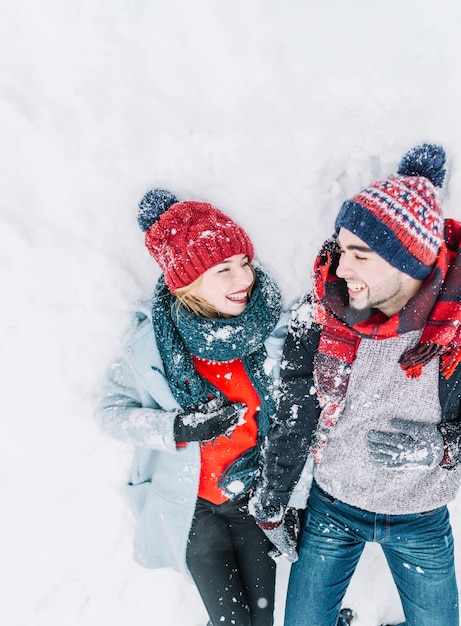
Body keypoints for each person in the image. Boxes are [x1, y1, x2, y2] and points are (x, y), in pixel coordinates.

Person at [250, 144, 461, 626]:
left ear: (410, 259)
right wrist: (274, 500)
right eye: (342, 251)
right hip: (333, 507)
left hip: (422, 515)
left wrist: (445, 445)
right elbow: (296, 413)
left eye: (360, 255)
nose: (341, 270)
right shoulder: (319, 316)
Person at [96, 189, 286, 626]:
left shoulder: (270, 332)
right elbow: (111, 412)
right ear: (187, 282)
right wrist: (177, 427)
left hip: (249, 499)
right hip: (191, 506)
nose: (243, 279)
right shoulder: (150, 348)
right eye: (223, 269)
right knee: (232, 622)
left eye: (244, 263)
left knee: (262, 619)